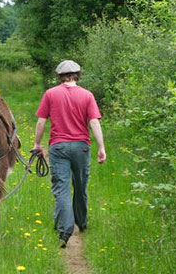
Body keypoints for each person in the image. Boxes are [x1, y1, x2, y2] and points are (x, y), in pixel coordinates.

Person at [32, 60, 106, 248]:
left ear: (59, 76)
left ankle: (65, 230)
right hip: (81, 146)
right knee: (80, 186)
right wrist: (101, 147)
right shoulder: (87, 95)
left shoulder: (50, 94)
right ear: (77, 75)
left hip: (59, 147)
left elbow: (41, 122)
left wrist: (37, 143)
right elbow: (94, 122)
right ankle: (81, 223)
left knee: (62, 188)